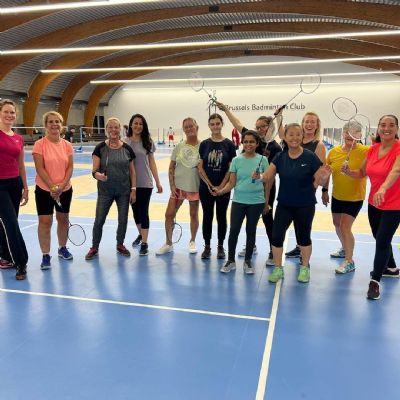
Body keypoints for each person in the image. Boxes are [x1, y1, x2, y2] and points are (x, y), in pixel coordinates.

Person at [256, 123, 330, 284]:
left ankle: (305, 268)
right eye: (291, 134)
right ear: (285, 137)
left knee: (303, 237)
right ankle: (278, 268)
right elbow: (267, 176)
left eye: (298, 134)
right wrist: (259, 177)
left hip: (305, 205)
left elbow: (319, 180)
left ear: (302, 137)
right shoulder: (280, 157)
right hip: (284, 205)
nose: (294, 138)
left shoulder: (310, 157)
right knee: (276, 237)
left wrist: (324, 176)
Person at [216, 101, 282, 266]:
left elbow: (271, 176)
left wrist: (265, 195)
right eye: (257, 127)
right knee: (247, 225)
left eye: (263, 126)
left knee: (267, 220)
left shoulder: (275, 147)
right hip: (244, 192)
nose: (259, 129)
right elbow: (237, 124)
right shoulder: (251, 138)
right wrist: (226, 110)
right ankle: (251, 247)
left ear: (270, 127)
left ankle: (272, 251)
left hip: (265, 189)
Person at [342, 115, 400, 300]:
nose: (386, 128)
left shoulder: (399, 148)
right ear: (378, 128)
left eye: (391, 125)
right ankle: (391, 268)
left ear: (397, 129)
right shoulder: (373, 149)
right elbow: (362, 172)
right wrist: (349, 172)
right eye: (383, 125)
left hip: (395, 203)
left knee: (382, 241)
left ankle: (375, 282)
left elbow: (396, 170)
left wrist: (383, 188)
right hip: (375, 202)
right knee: (379, 237)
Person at [215, 130, 269, 274]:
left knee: (251, 231)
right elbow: (231, 183)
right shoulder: (236, 160)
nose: (248, 144)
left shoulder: (263, 160)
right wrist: (221, 191)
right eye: (246, 141)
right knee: (234, 231)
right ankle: (231, 261)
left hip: (256, 202)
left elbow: (267, 182)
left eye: (252, 142)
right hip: (239, 201)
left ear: (257, 143)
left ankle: (248, 261)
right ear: (242, 143)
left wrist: (266, 201)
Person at [85, 117, 136, 260]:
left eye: (116, 127)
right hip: (105, 192)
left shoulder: (127, 149)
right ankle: (94, 247)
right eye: (111, 127)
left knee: (123, 220)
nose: (113, 130)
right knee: (99, 220)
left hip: (123, 191)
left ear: (120, 129)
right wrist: (98, 176)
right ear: (107, 129)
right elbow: (94, 171)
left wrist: (133, 189)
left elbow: (132, 172)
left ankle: (120, 244)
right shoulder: (100, 148)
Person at [325, 121, 369, 273]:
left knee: (345, 227)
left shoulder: (366, 151)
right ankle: (345, 248)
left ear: (360, 135)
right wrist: (324, 191)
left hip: (355, 197)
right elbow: (327, 172)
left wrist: (350, 172)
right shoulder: (333, 152)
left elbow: (365, 173)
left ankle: (349, 261)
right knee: (336, 224)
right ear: (343, 134)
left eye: (355, 133)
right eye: (348, 132)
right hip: (337, 195)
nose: (350, 136)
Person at [32, 111, 74, 270]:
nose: (54, 124)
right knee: (45, 222)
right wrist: (52, 186)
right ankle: (45, 255)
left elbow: (70, 167)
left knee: (63, 220)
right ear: (46, 125)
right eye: (51, 122)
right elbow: (40, 168)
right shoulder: (39, 144)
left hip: (65, 189)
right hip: (44, 189)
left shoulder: (67, 145)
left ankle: (62, 248)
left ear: (61, 125)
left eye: (57, 121)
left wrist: (61, 186)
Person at [284, 112, 326, 259]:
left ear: (317, 125)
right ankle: (299, 247)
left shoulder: (318, 145)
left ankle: (304, 252)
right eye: (307, 121)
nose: (309, 124)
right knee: (296, 220)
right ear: (302, 124)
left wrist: (323, 190)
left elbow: (321, 171)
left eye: (312, 122)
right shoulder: (296, 141)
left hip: (306, 190)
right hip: (291, 188)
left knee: (304, 222)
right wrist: (279, 117)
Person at [156, 117, 200, 255]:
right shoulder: (179, 147)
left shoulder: (203, 146)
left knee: (193, 214)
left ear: (196, 127)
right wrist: (172, 185)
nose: (189, 129)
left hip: (194, 187)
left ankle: (192, 241)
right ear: (184, 130)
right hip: (178, 188)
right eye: (186, 127)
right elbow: (171, 167)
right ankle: (168, 243)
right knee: (169, 214)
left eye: (191, 126)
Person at [197, 113, 236, 259]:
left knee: (221, 217)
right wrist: (209, 185)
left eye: (217, 123)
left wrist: (221, 187)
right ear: (209, 126)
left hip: (223, 189)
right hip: (206, 189)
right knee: (207, 216)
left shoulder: (229, 145)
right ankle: (207, 246)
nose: (215, 126)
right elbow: (200, 167)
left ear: (222, 124)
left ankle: (220, 246)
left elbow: (231, 168)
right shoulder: (204, 144)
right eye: (212, 124)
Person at [124, 113, 163, 256]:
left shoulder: (148, 142)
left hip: (145, 182)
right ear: (131, 125)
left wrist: (158, 182)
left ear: (143, 126)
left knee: (144, 211)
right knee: (135, 212)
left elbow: (152, 162)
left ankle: (145, 243)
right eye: (135, 123)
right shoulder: (125, 142)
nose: (138, 126)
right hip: (130, 184)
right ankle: (141, 234)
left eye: (140, 124)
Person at [0, 99, 29, 280]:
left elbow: (21, 165)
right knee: (11, 223)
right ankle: (21, 262)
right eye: (6, 111)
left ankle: (6, 257)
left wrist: (25, 187)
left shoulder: (18, 138)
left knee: (7, 223)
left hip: (15, 184)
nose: (9, 115)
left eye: (12, 112)